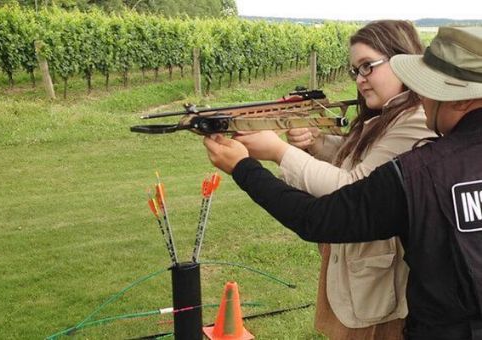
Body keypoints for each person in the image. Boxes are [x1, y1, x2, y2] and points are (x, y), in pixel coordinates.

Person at [203, 25, 482, 340]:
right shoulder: (420, 158)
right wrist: (318, 145)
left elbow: (325, 212)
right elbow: (364, 163)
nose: (423, 97)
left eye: (429, 87)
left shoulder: (419, 169)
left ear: (459, 99)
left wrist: (251, 163)